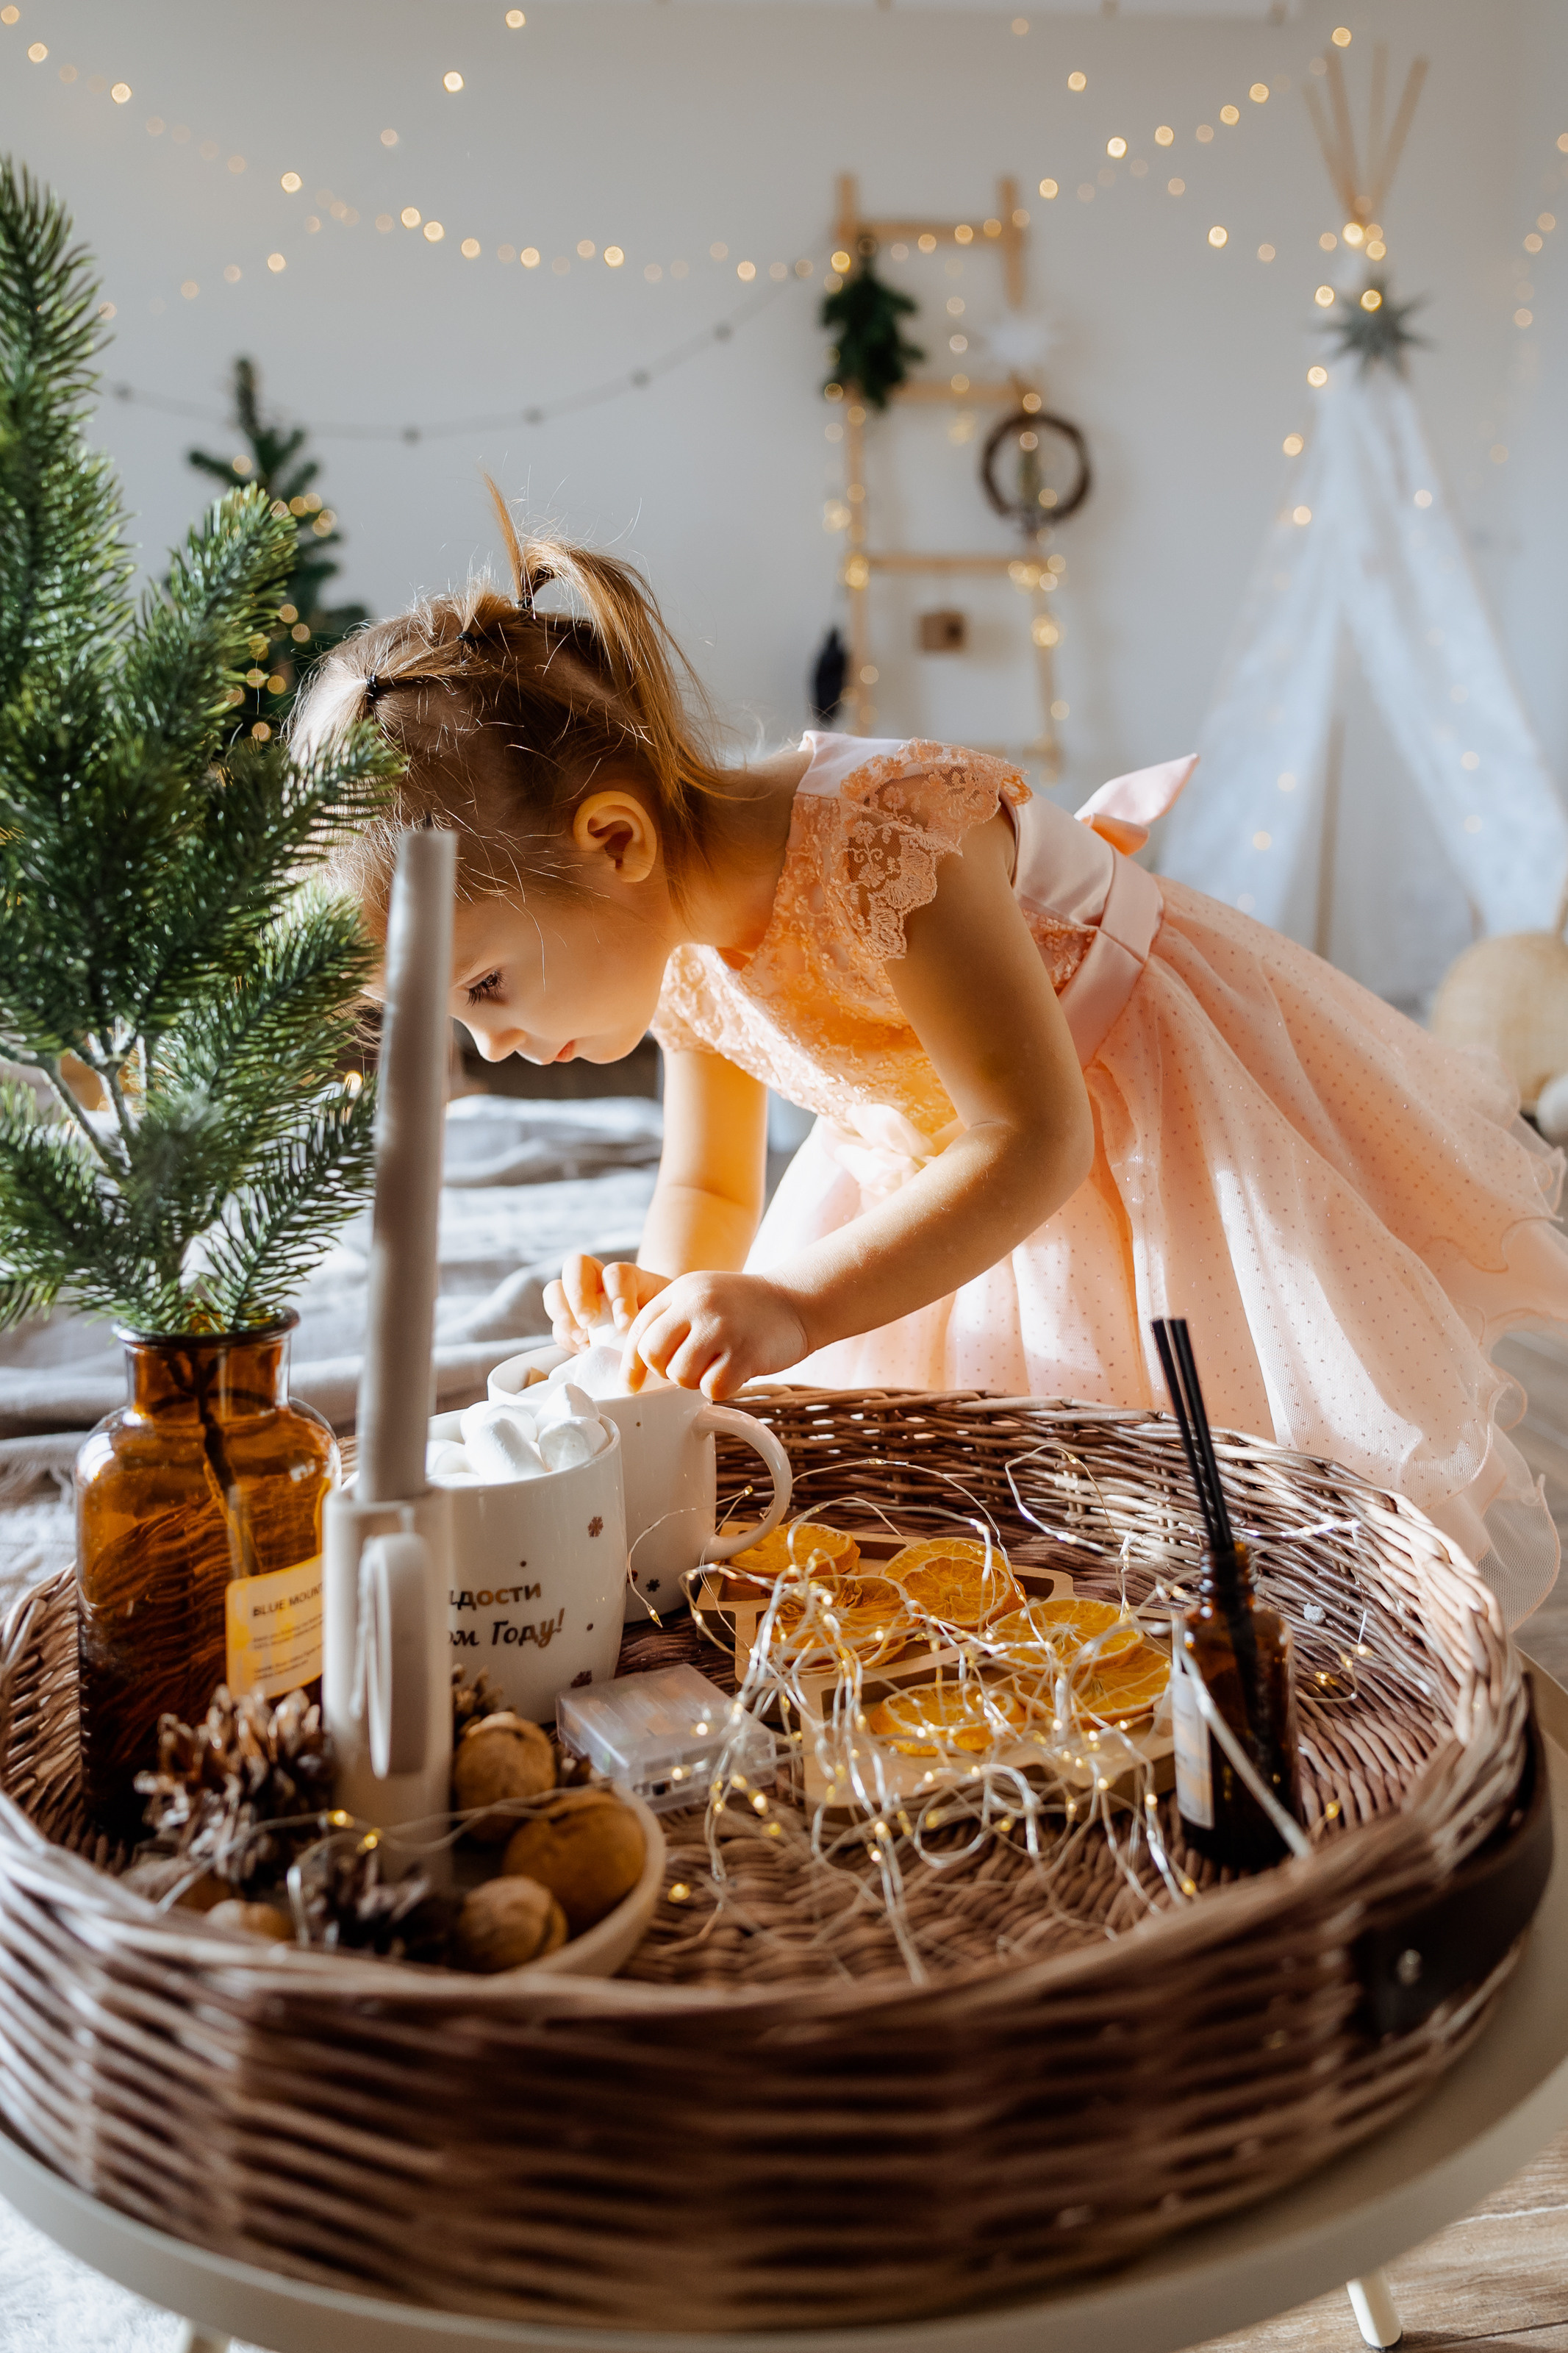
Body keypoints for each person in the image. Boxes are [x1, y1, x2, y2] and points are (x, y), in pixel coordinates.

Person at [296, 504, 1568, 1627]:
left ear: (615, 839)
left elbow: (1031, 1140)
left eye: (484, 986)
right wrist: (668, 1310)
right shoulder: (673, 940)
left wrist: (796, 1306)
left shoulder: (884, 841)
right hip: (934, 1147)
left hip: (1128, 1106)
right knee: (987, 1486)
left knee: (1226, 1456)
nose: (490, 1046)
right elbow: (711, 1192)